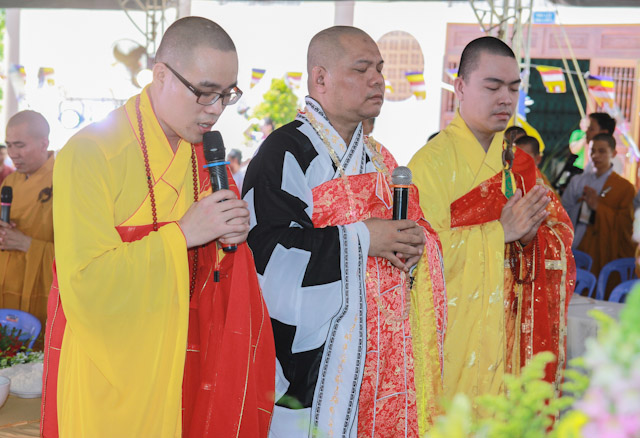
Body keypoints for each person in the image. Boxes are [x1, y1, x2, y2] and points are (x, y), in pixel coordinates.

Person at [41, 17, 274, 438]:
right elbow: (85, 282)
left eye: (227, 94)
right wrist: (182, 235)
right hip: (109, 371)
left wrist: (228, 239)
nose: (216, 109)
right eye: (205, 92)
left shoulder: (204, 158)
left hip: (186, 356)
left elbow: (215, 275)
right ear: (161, 74)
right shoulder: (91, 153)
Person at [243, 26, 447, 437]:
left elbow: (416, 229)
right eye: (361, 69)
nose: (378, 80)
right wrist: (365, 239)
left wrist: (416, 242)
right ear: (320, 78)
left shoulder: (381, 157)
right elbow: (268, 254)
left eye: (379, 69)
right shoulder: (285, 151)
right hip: (317, 370)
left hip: (384, 360)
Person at [408, 36, 575, 410]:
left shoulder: (521, 166)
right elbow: (417, 255)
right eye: (493, 86)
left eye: (513, 88)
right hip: (455, 340)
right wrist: (500, 232)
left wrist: (530, 239)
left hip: (510, 336)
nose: (505, 99)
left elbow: (561, 236)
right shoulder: (429, 164)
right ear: (460, 87)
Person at [0, 110, 54, 328]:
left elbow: (82, 250)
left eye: (20, 145)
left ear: (43, 144)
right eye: (9, 145)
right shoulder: (10, 182)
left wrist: (28, 245)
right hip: (6, 282)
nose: (13, 154)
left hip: (42, 288)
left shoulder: (65, 180)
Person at [562, 133, 635, 278]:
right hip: (578, 242)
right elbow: (563, 212)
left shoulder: (624, 187)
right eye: (592, 151)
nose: (596, 156)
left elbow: (626, 225)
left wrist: (598, 207)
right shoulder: (577, 181)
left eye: (602, 151)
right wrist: (581, 204)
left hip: (605, 246)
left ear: (613, 153)